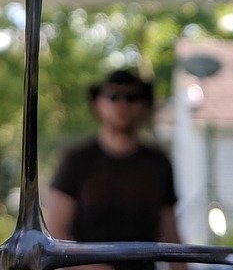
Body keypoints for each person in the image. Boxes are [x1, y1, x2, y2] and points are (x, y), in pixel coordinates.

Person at [45, 69, 186, 270]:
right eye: (113, 96)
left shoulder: (158, 164)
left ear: (144, 105)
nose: (122, 104)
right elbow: (55, 233)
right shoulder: (76, 161)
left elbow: (170, 235)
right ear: (98, 104)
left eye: (131, 97)